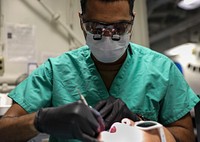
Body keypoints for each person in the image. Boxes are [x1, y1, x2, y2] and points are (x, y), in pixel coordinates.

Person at [0, 0, 199, 142]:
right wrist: (41, 120)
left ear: (132, 20)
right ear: (81, 20)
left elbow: (186, 136)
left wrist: (140, 122)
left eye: (120, 27)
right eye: (95, 27)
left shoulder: (162, 70)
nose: (108, 37)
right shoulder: (56, 71)